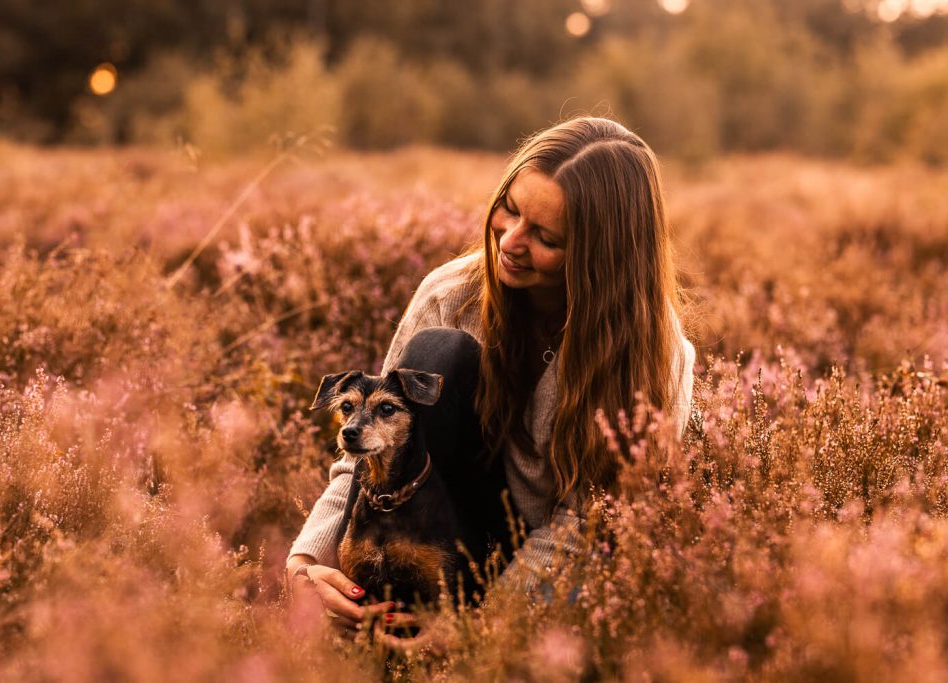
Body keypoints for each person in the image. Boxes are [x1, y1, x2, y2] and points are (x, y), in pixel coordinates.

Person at [285, 116, 695, 647]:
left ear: (599, 259)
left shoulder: (651, 352)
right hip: (452, 536)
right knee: (439, 350)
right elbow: (373, 450)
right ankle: (391, 615)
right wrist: (306, 560)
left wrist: (482, 631)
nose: (511, 239)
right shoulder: (451, 295)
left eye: (546, 237)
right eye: (511, 208)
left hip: (573, 558)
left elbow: (594, 522)